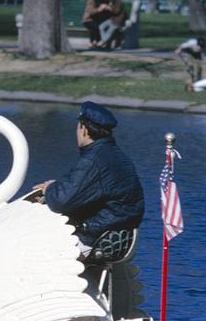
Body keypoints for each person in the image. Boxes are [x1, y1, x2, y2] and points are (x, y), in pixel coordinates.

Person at [33, 101, 145, 256]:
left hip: (96, 238)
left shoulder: (93, 160)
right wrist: (56, 186)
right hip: (119, 236)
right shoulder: (115, 154)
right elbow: (81, 188)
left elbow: (62, 201)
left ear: (84, 129)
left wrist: (49, 190)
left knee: (33, 249)